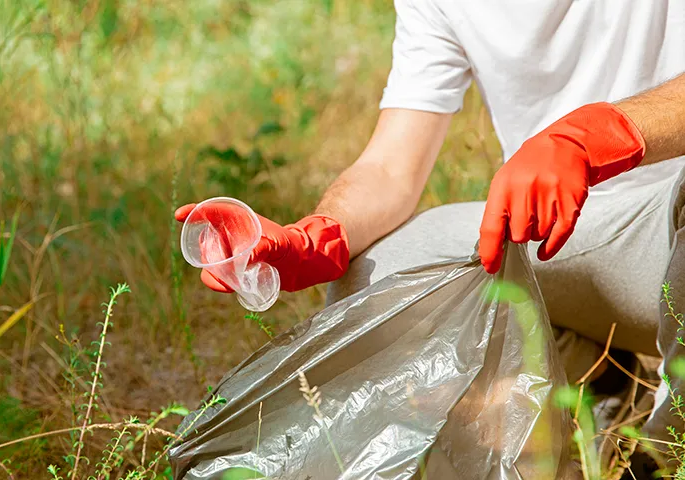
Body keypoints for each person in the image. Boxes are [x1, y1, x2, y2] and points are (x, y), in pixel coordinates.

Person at [176, 0, 685, 449]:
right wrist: (318, 235)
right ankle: (590, 394)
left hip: (668, 228)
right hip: (557, 241)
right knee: (377, 271)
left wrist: (599, 135)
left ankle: (665, 451)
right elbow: (390, 168)